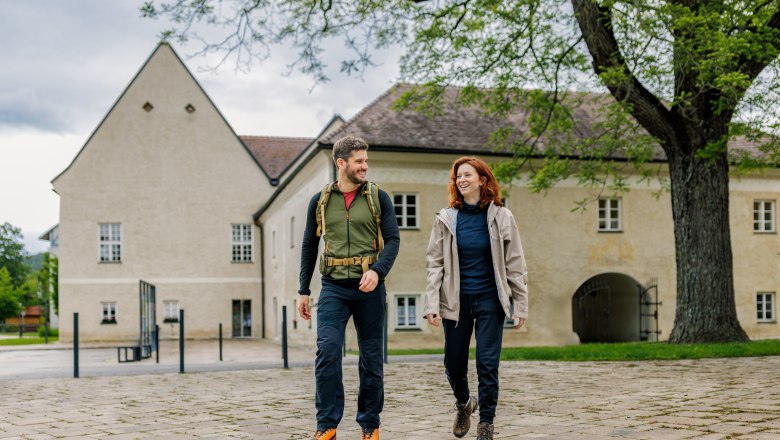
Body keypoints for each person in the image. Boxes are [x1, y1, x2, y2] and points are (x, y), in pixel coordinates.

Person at [297, 136, 400, 440]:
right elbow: (309, 244)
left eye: (366, 160)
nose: (365, 166)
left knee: (370, 356)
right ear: (341, 163)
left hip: (369, 288)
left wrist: (378, 272)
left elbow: (393, 240)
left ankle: (370, 425)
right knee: (327, 350)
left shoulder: (377, 197)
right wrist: (304, 289)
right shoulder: (320, 201)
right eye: (359, 161)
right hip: (333, 287)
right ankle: (327, 424)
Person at [423, 156, 528, 440]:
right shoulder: (447, 218)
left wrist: (520, 304)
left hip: (490, 301)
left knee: (487, 363)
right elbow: (435, 264)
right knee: (453, 363)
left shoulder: (502, 216)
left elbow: (515, 263)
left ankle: (486, 424)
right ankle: (464, 403)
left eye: (467, 175)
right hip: (455, 302)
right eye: (458, 176)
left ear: (483, 180)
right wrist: (431, 303)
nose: (461, 180)